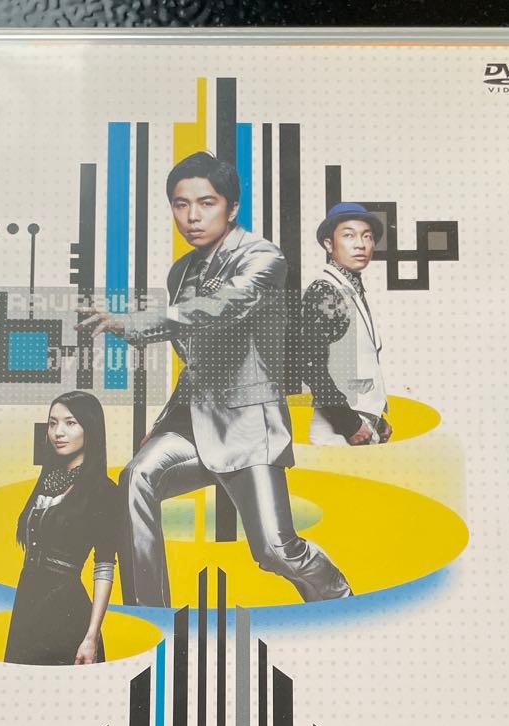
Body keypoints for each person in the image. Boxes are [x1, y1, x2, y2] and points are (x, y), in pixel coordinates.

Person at [83, 151, 350, 608]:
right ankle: (150, 612)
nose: (192, 216)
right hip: (193, 422)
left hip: (248, 426)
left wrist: (133, 323)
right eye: (180, 204)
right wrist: (165, 423)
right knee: (136, 478)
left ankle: (341, 599)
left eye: (206, 203)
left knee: (276, 551)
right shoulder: (180, 271)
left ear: (232, 207)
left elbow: (218, 310)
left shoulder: (264, 257)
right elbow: (197, 361)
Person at [4, 390, 119, 665]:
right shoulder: (46, 481)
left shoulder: (103, 491)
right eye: (52, 423)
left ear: (90, 429)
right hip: (27, 606)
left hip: (67, 611)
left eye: (70, 423)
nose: (58, 432)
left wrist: (91, 636)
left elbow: (104, 566)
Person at [301, 201, 393, 446]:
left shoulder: (350, 288)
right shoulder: (325, 290)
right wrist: (349, 424)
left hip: (360, 424)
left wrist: (377, 419)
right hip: (339, 431)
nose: (360, 244)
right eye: (349, 235)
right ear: (329, 244)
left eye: (367, 236)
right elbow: (310, 365)